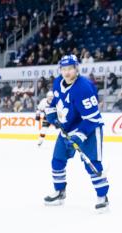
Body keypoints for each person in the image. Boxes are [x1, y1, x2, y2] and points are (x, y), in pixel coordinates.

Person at [44, 54, 109, 210]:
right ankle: (59, 192)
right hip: (67, 127)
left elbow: (93, 118)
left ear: (76, 69)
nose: (66, 73)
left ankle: (102, 196)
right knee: (57, 160)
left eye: (70, 69)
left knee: (92, 163)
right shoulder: (58, 81)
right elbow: (55, 99)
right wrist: (51, 111)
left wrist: (80, 135)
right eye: (64, 69)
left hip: (90, 128)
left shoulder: (84, 87)